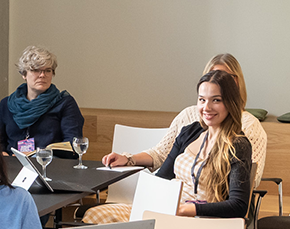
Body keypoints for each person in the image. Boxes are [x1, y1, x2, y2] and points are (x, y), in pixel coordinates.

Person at [100, 71, 251, 217]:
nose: (207, 107)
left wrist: (187, 210)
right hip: (167, 209)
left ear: (230, 103)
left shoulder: (238, 145)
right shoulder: (190, 132)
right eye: (202, 100)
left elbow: (238, 205)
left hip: (197, 219)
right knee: (98, 214)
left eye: (216, 100)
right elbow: (162, 179)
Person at [0, 46, 84, 154]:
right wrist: (3, 154)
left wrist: (38, 155)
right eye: (36, 70)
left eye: (47, 70)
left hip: (50, 165)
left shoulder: (65, 103)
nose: (42, 75)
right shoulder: (6, 104)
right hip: (12, 165)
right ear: (24, 74)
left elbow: (72, 146)